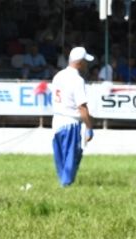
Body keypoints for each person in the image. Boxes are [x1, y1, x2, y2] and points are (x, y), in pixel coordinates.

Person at [51, 47, 95, 187]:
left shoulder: (58, 76)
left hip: (57, 121)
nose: (87, 65)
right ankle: (66, 186)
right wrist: (89, 127)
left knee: (61, 158)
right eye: (85, 62)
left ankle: (62, 185)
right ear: (80, 63)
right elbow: (82, 106)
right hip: (70, 123)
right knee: (71, 157)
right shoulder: (77, 80)